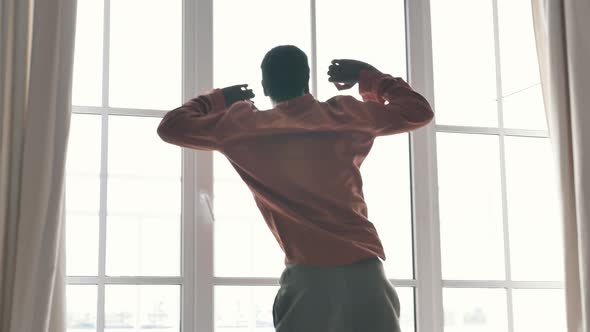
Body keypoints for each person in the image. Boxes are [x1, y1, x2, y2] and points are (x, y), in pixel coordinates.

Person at [157, 45, 434, 332]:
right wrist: (370, 77)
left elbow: (172, 127)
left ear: (264, 86)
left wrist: (218, 99)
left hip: (307, 279)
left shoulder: (242, 126)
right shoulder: (346, 115)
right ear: (307, 80)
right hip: (366, 275)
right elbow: (418, 111)